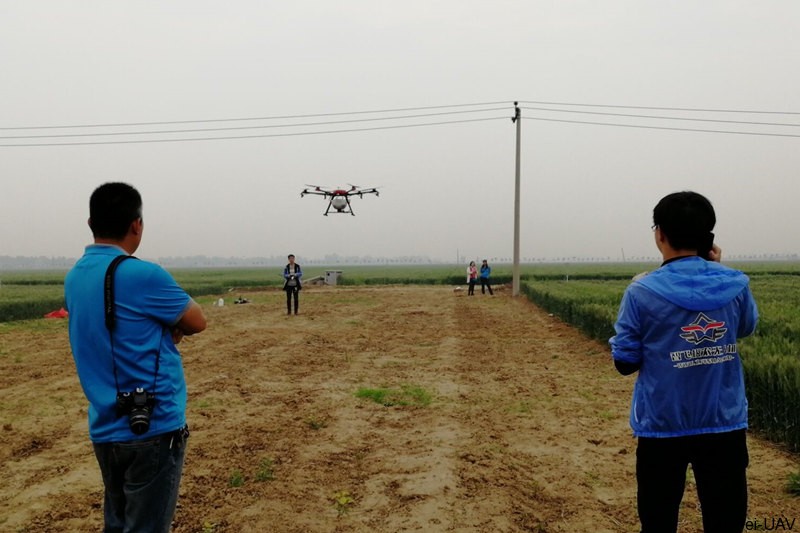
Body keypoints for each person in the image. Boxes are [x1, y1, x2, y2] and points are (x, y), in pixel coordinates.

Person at [609, 191, 758, 533]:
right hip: (724, 424)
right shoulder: (736, 284)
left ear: (659, 233)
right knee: (726, 520)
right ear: (709, 236)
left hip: (662, 426)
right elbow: (745, 327)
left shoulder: (641, 291)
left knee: (659, 520)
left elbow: (624, 361)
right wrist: (715, 270)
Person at [64, 182, 207, 533]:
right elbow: (197, 321)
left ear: (90, 222)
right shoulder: (144, 274)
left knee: (117, 520)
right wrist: (167, 329)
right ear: (137, 224)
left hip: (104, 426)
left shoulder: (74, 276)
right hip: (153, 428)